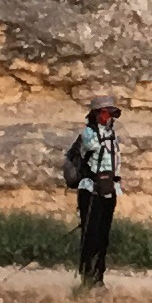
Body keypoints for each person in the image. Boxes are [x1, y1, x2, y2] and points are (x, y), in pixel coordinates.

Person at [62, 95, 122, 286]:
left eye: (111, 113)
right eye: (105, 112)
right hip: (91, 190)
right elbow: (91, 151)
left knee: (103, 235)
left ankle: (99, 277)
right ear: (96, 114)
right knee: (91, 234)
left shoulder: (111, 134)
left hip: (109, 189)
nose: (109, 116)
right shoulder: (89, 134)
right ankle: (87, 276)